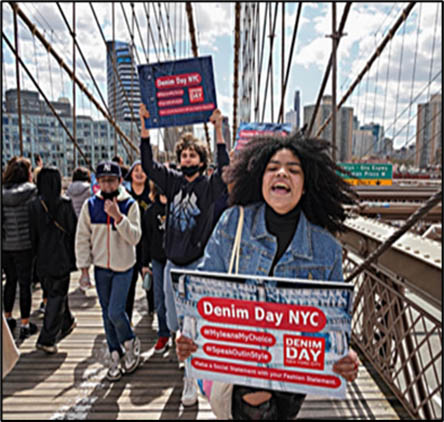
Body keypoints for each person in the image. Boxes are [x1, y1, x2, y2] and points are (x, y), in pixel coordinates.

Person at [175, 133, 361, 420]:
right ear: (260, 179)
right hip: (237, 369)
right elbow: (204, 293)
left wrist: (343, 356)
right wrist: (188, 331)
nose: (282, 173)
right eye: (272, 168)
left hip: (292, 374)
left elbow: (332, 327)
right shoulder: (232, 223)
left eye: (293, 169)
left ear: (306, 185)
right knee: (254, 396)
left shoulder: (327, 249)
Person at [139, 103, 229, 406]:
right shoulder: (174, 181)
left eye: (192, 155)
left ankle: (191, 377)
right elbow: (149, 165)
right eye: (183, 156)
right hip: (170, 263)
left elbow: (226, 169)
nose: (186, 159)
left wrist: (218, 129)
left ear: (201, 160)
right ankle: (189, 361)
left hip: (195, 264)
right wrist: (144, 125)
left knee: (191, 323)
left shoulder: (208, 186)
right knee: (175, 321)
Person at [75, 160, 142, 382]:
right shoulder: (90, 206)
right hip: (101, 268)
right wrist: (84, 268)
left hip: (124, 267)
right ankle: (115, 353)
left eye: (111, 181)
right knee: (106, 314)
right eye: (102, 181)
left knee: (115, 311)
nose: (107, 185)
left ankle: (130, 341)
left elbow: (135, 237)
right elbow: (82, 238)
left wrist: (118, 218)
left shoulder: (129, 205)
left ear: (120, 181)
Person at [29, 167, 78, 354]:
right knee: (57, 295)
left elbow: (32, 235)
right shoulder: (65, 203)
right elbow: (72, 230)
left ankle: (67, 322)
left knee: (54, 292)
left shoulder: (33, 205)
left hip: (42, 257)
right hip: (61, 257)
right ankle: (47, 338)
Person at [2, 157, 38, 340]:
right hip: (25, 245)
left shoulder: (2, 193)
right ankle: (25, 323)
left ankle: (7, 318)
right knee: (25, 285)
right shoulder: (32, 192)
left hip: (6, 245)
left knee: (9, 281)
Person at [124, 160, 154, 322]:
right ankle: (126, 316)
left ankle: (151, 308)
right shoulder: (125, 196)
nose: (139, 173)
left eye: (143, 170)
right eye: (136, 170)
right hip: (129, 243)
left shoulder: (151, 194)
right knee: (129, 283)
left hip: (147, 242)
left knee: (149, 280)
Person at [141, 181, 169, 353]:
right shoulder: (150, 212)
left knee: (178, 299)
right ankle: (163, 333)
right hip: (158, 260)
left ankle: (180, 334)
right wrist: (144, 263)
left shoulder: (178, 208)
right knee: (159, 299)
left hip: (178, 259)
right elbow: (146, 239)